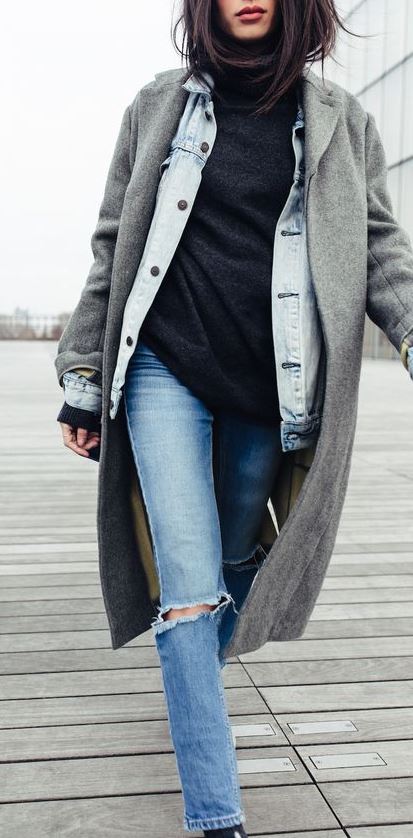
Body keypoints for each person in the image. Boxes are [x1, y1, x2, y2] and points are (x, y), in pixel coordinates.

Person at [55, 1, 413, 835]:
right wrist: (83, 374)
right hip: (163, 364)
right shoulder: (157, 106)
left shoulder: (342, 122)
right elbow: (114, 243)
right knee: (188, 588)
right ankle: (215, 815)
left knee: (233, 557)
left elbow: (378, 246)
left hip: (273, 382)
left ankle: (193, 685)